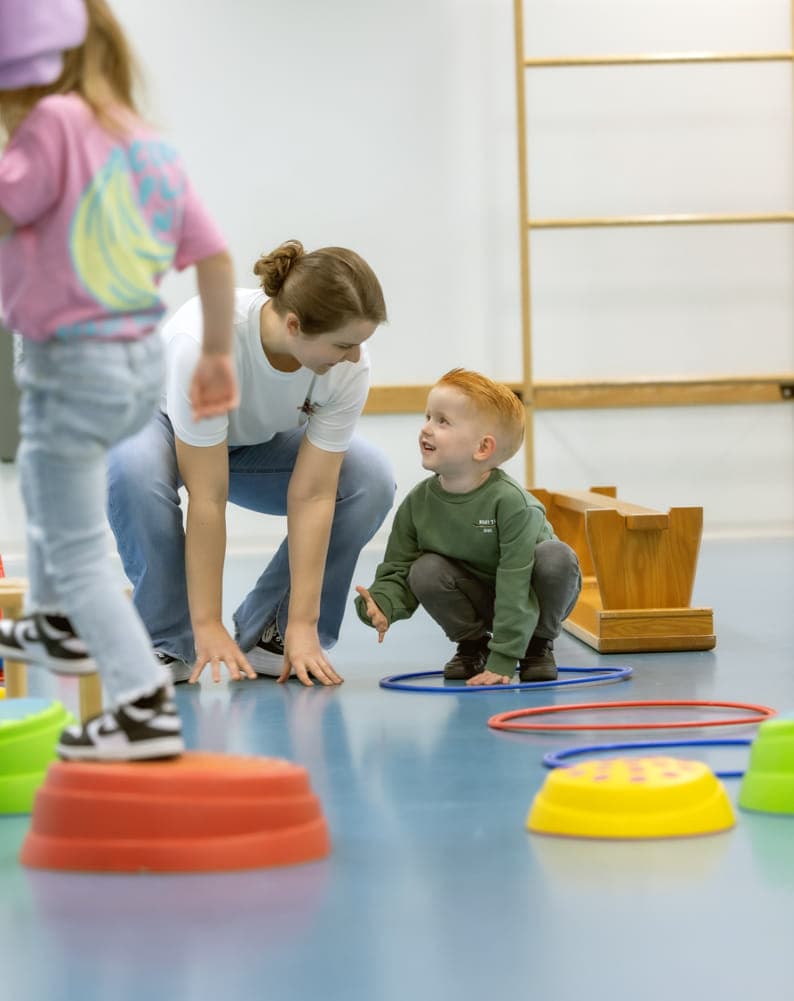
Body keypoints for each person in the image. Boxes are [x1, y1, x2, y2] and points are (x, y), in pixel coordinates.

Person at [0, 0, 238, 759]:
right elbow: (214, 253)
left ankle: (143, 708)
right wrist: (216, 357)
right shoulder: (147, 145)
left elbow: (11, 203)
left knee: (73, 545)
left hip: (71, 366)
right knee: (43, 485)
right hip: (135, 366)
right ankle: (54, 617)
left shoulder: (53, 125)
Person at [107, 239, 395, 689]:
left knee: (368, 479)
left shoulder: (347, 366)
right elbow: (208, 496)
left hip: (250, 442)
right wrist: (207, 623)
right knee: (130, 468)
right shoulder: (206, 345)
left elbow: (315, 493)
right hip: (159, 425)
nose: (355, 356)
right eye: (343, 344)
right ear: (295, 325)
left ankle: (273, 633)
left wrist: (303, 621)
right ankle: (169, 640)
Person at [355, 368, 582, 685]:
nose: (426, 429)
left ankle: (537, 645)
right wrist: (383, 604)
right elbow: (399, 565)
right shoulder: (418, 504)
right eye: (428, 417)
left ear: (482, 448)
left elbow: (516, 581)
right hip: (477, 598)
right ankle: (472, 645)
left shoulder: (513, 504)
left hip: (527, 593)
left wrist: (504, 659)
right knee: (424, 569)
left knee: (556, 557)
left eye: (442, 421)